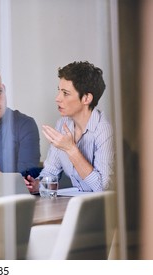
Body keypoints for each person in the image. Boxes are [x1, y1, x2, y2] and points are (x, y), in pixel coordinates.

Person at [24, 61, 114, 193]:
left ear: (86, 98)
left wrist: (71, 149)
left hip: (103, 209)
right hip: (78, 204)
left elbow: (102, 188)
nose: (57, 98)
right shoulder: (63, 124)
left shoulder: (105, 130)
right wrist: (37, 185)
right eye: (59, 91)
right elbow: (50, 172)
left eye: (65, 93)